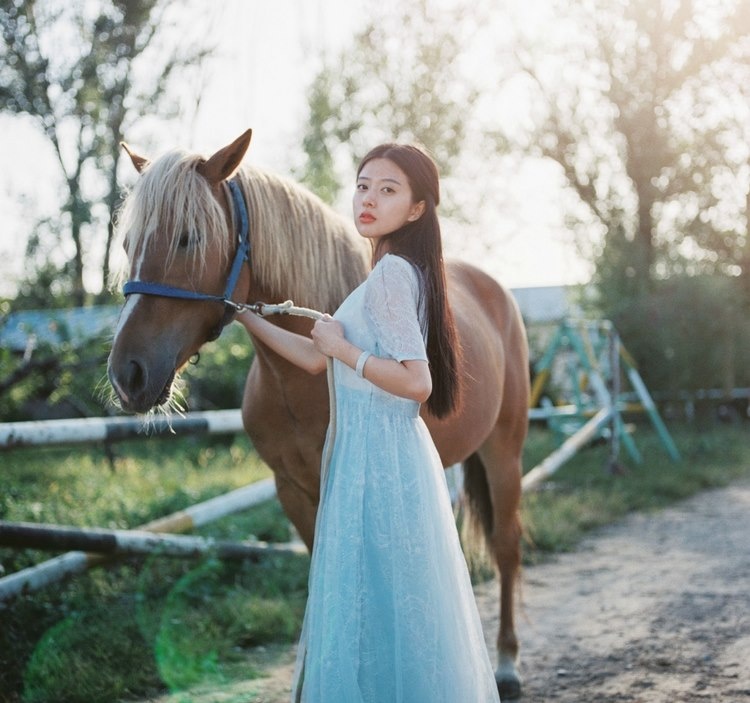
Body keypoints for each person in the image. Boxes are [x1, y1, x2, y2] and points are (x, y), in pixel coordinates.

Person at [236, 144, 500, 702]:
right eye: (362, 185)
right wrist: (246, 315)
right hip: (369, 457)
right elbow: (314, 358)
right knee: (389, 608)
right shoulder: (386, 273)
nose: (368, 199)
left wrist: (343, 349)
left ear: (415, 210)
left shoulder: (391, 276)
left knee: (380, 605)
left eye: (388, 190)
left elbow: (416, 382)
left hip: (379, 457)